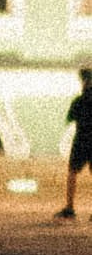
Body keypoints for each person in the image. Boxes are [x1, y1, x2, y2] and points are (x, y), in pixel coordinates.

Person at [55, 65, 92, 217]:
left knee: (72, 172)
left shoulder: (79, 100)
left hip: (82, 140)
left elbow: (70, 118)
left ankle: (70, 208)